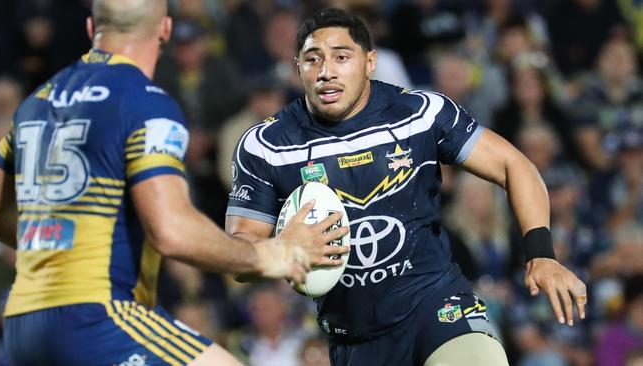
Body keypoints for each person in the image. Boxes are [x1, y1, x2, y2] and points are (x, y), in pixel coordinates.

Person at [0, 1, 349, 365]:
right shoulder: (144, 103)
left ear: (90, 29)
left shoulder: (35, 103)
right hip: (98, 316)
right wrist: (269, 253)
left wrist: (60, 246)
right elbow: (172, 230)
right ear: (164, 30)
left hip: (24, 323)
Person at [226, 8, 587, 366]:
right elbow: (241, 248)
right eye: (312, 60)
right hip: (354, 337)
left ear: (370, 62)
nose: (326, 72)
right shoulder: (267, 146)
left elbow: (515, 165)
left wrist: (541, 252)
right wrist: (280, 249)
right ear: (297, 67)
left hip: (437, 306)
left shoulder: (420, 113)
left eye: (341, 57)